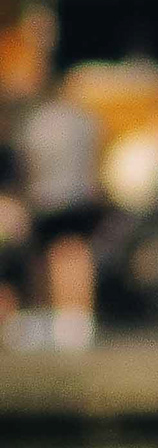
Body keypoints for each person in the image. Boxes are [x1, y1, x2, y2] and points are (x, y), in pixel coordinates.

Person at [14, 67, 106, 351]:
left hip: (46, 199)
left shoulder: (35, 122)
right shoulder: (86, 121)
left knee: (46, 260)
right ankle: (78, 320)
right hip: (81, 198)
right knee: (77, 257)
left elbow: (26, 163)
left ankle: (53, 320)